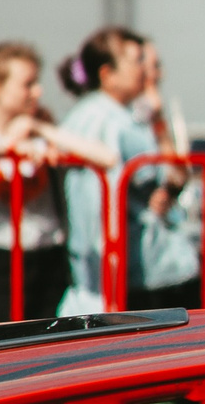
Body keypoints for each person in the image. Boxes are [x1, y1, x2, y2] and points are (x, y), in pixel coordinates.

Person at [0, 42, 110, 324]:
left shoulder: (41, 129)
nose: (37, 92)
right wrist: (8, 149)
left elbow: (106, 157)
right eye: (27, 84)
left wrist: (40, 129)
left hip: (47, 260)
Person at [54, 27, 158, 314]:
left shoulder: (124, 114)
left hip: (125, 265)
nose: (144, 69)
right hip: (100, 273)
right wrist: (106, 254)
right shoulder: (98, 118)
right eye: (136, 60)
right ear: (107, 73)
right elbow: (94, 196)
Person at [125, 35, 203, 316]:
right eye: (151, 65)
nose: (159, 74)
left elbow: (178, 172)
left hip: (170, 256)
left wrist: (157, 119)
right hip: (140, 266)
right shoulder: (122, 122)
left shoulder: (154, 117)